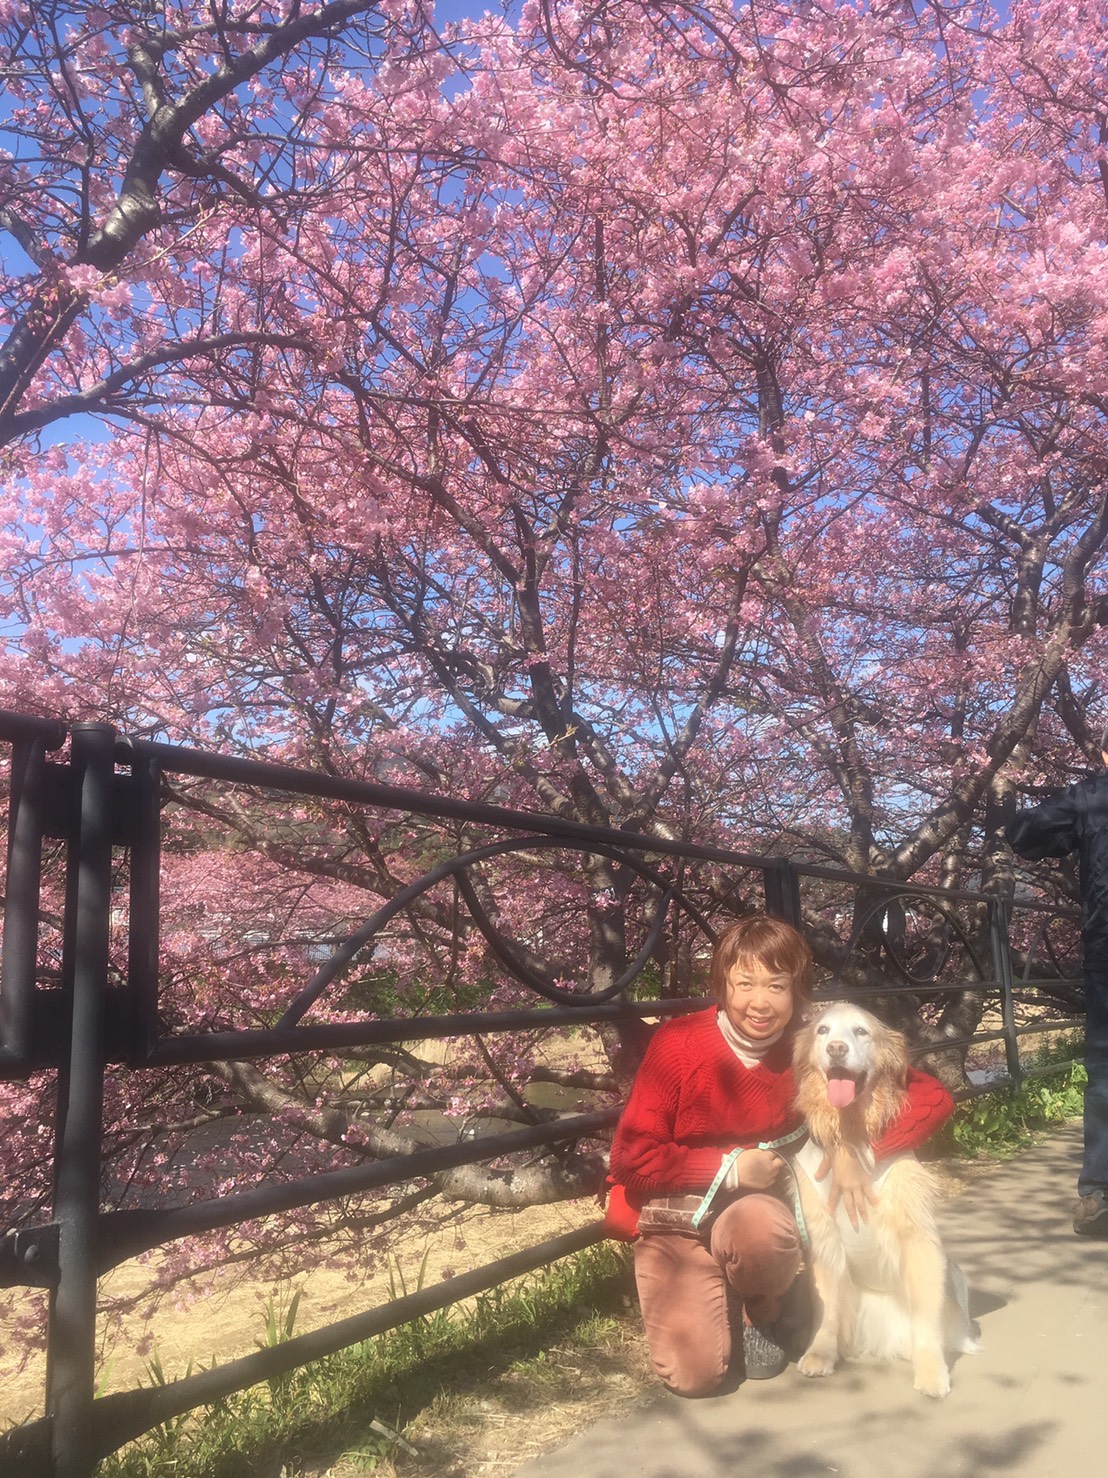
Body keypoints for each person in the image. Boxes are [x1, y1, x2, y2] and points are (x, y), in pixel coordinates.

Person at [604, 913, 954, 1396]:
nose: (760, 1002)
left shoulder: (807, 1047)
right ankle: (720, 1294)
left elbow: (934, 1096)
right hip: (678, 1215)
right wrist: (728, 1168)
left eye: (777, 986)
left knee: (761, 1230)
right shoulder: (678, 1044)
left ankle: (758, 1308)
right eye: (744, 983)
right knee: (695, 1376)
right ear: (722, 985)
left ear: (796, 992)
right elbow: (631, 1159)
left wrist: (856, 1150)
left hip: (752, 1217)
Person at [1007, 727, 1108, 1236]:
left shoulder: (1092, 797)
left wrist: (1010, 807)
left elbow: (1025, 836)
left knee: (1106, 1071)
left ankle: (1098, 1191)